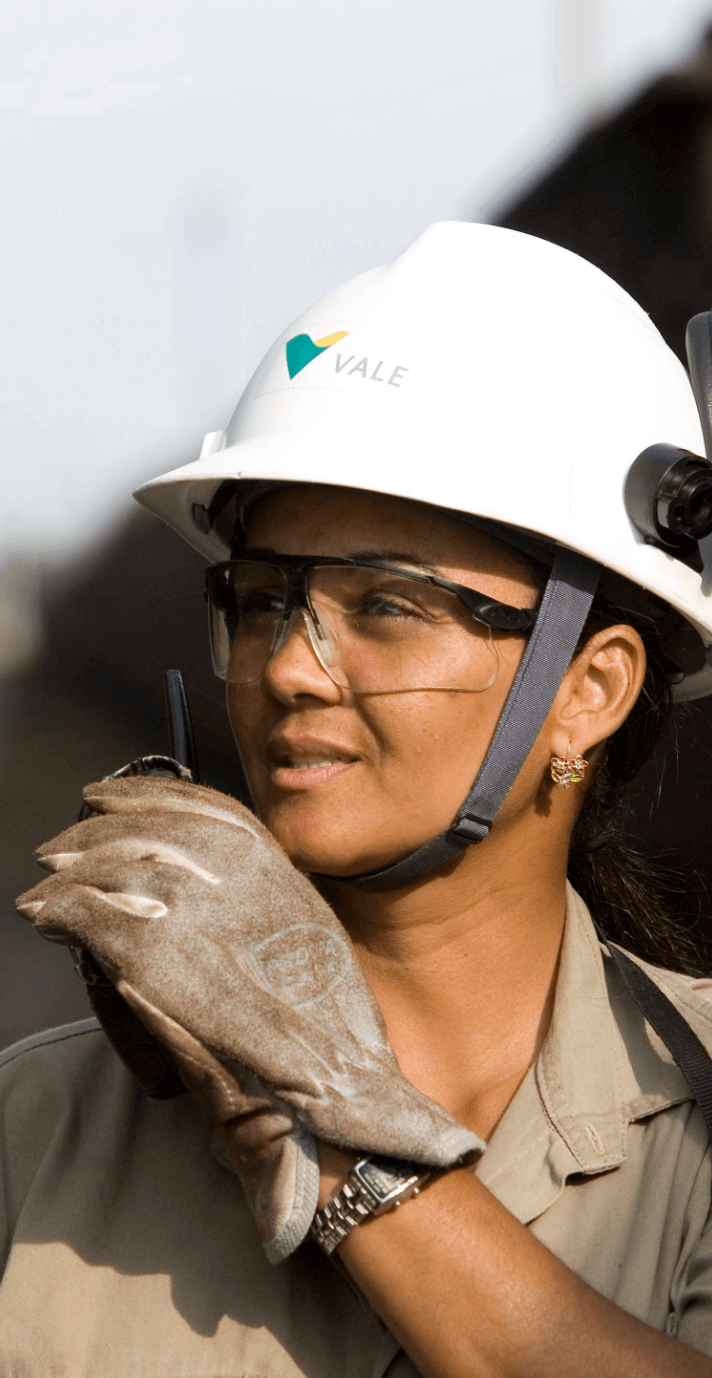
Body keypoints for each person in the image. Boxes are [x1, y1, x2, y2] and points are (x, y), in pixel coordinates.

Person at [4, 221, 712, 1376]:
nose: (288, 666)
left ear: (589, 690)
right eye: (263, 598)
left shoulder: (696, 1117)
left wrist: (336, 1133)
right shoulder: (41, 1128)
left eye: (387, 606)